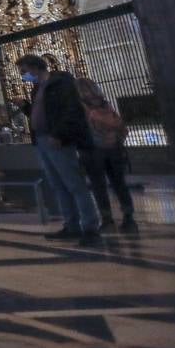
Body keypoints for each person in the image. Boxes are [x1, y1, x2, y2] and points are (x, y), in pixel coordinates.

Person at [16, 54, 103, 245]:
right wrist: (26, 108)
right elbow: (43, 114)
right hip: (42, 140)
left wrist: (59, 134)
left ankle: (90, 228)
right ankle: (71, 225)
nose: (23, 75)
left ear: (34, 67)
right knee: (58, 185)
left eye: (24, 71)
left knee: (74, 184)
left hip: (57, 140)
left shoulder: (61, 84)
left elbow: (71, 111)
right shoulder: (38, 88)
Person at [76, 77, 137, 233]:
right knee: (119, 184)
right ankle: (129, 219)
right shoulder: (105, 104)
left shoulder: (81, 106)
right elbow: (119, 125)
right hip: (114, 147)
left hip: (93, 149)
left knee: (99, 186)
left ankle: (107, 220)